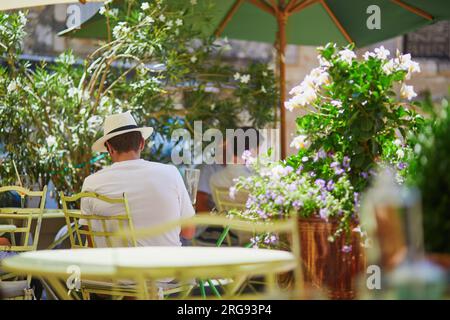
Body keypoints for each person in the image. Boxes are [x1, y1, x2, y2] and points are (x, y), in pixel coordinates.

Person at [81, 111, 195, 247]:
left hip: (114, 266)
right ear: (141, 143)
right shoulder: (171, 173)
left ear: (110, 149)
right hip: (166, 266)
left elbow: (90, 242)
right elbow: (189, 231)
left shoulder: (91, 183)